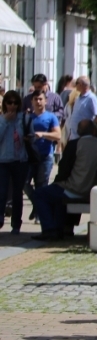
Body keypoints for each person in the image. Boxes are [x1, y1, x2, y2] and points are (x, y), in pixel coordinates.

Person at [30, 120, 97, 241]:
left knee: (40, 194)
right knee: (58, 196)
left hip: (74, 188)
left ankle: (49, 229)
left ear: (78, 132)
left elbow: (64, 170)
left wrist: (57, 182)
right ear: (94, 131)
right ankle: (63, 228)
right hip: (95, 190)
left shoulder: (74, 144)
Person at [24, 90, 61, 222]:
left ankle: (41, 216)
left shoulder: (51, 117)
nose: (38, 102)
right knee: (24, 183)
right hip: (29, 156)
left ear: (45, 101)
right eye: (36, 99)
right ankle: (37, 204)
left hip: (45, 156)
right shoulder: (27, 118)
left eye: (41, 99)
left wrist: (43, 134)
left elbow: (58, 135)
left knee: (42, 185)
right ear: (32, 101)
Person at [0, 91, 30, 233]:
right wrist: (5, 121)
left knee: (18, 193)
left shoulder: (23, 118)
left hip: (20, 161)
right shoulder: (1, 119)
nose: (12, 105)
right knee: (2, 192)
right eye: (9, 102)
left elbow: (31, 136)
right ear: (5, 104)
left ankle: (16, 224)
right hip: (3, 161)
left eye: (15, 103)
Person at [66, 77, 97, 142]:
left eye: (76, 83)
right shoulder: (78, 98)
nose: (75, 86)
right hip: (73, 137)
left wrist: (88, 128)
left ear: (81, 84)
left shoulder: (91, 98)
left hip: (84, 138)